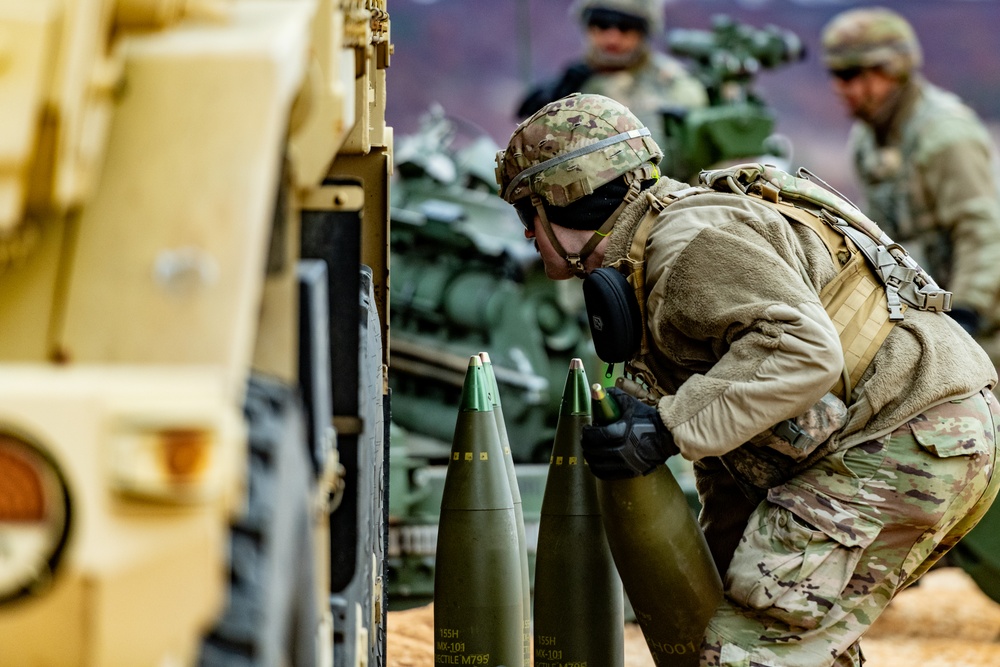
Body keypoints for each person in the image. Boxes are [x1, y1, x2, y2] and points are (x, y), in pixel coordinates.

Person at [494, 92, 1000, 666]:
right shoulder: (651, 256)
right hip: (923, 433)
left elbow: (805, 352)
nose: (530, 236)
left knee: (748, 652)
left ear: (564, 199)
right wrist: (716, 563)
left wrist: (665, 427)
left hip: (907, 433)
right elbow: (736, 441)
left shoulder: (687, 247)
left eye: (526, 213)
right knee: (775, 628)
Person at [821, 7, 1000, 358]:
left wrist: (965, 314)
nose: (839, 87)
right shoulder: (867, 139)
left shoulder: (946, 135)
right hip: (923, 323)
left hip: (980, 335)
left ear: (893, 70)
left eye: (851, 73)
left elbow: (981, 231)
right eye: (835, 74)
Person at [515, 0, 707, 155]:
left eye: (625, 27)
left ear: (643, 32)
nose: (612, 38)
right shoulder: (569, 83)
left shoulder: (675, 86)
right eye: (601, 24)